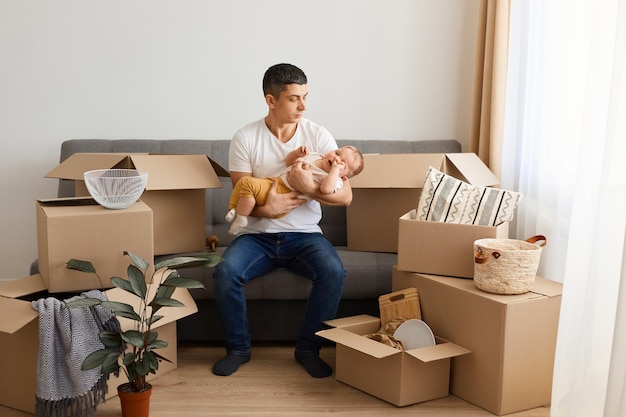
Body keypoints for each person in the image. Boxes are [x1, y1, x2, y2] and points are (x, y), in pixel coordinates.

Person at [212, 63, 354, 378]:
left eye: (305, 97)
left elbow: (345, 197)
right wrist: (269, 208)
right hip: (255, 238)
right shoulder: (245, 137)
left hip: (304, 236)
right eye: (294, 99)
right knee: (225, 273)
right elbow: (239, 194)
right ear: (271, 100)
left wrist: (309, 191)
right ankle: (238, 349)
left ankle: (308, 349)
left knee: (333, 272)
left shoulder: (318, 134)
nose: (303, 106)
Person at [225, 144, 364, 235]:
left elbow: (326, 189)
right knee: (244, 182)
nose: (336, 159)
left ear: (344, 176)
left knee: (248, 186)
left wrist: (334, 171)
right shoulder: (317, 156)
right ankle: (234, 210)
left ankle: (242, 218)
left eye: (342, 164)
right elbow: (289, 162)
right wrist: (297, 154)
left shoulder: (335, 179)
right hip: (276, 183)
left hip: (285, 194)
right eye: (337, 153)